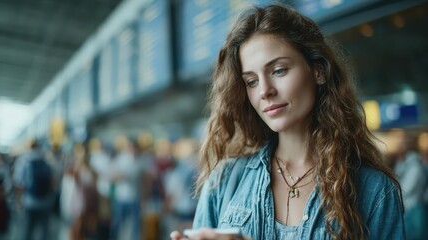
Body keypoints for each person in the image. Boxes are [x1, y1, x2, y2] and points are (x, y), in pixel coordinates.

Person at [170, 4, 404, 240]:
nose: (265, 91)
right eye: (251, 81)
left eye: (279, 70)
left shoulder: (375, 191)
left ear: (318, 71)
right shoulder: (224, 181)